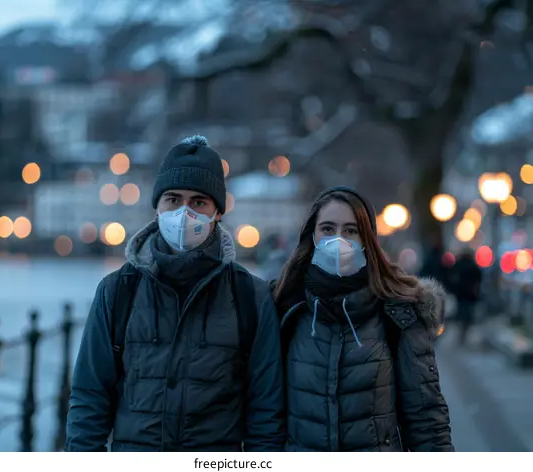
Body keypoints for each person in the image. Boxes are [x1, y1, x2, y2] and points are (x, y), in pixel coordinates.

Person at [66, 135, 285, 452]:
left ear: (217, 212)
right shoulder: (118, 291)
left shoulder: (249, 296)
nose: (185, 213)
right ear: (157, 207)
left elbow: (266, 412)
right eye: (173, 199)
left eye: (199, 202)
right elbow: (90, 396)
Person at [273, 187, 454, 452]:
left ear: (366, 240)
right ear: (312, 236)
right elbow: (264, 416)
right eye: (327, 229)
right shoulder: (286, 307)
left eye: (350, 231)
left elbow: (426, 423)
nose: (338, 240)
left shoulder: (398, 313)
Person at [449, 248, 483, 346]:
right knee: (467, 314)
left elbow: (452, 277)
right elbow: (478, 279)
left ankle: (461, 331)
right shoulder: (473, 266)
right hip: (469, 295)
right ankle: (464, 331)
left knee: (461, 312)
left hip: (460, 294)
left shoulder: (458, 265)